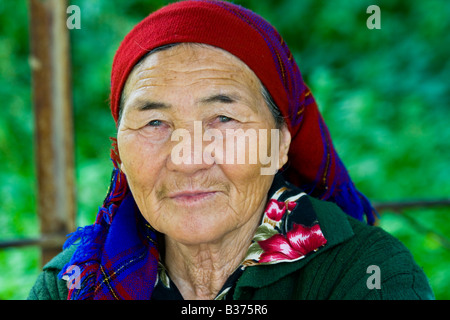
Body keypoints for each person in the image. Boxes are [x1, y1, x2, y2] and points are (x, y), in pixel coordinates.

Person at [28, 0, 433, 300]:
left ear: (280, 143)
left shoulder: (366, 274)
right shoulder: (72, 284)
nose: (188, 158)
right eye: (154, 123)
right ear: (119, 154)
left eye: (223, 119)